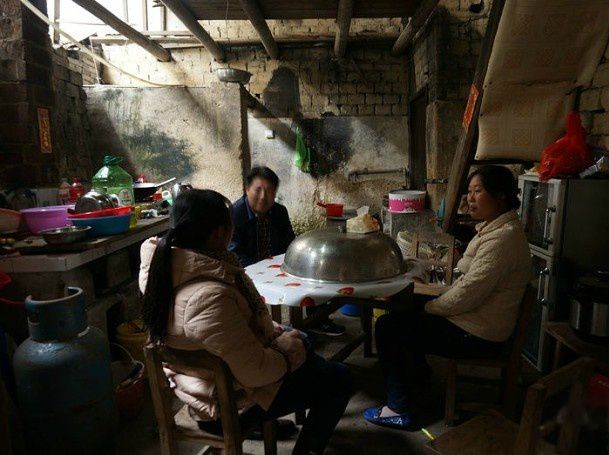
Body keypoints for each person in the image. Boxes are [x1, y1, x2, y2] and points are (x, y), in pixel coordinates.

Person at [140, 189, 354, 454]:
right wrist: (286, 351)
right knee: (339, 377)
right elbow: (256, 371)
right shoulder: (209, 296)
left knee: (302, 341)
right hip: (223, 408)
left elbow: (229, 333)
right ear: (218, 233)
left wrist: (282, 338)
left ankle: (292, 394)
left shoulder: (161, 269)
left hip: (204, 384)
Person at [363, 165, 532, 430]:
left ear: (500, 197)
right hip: (474, 319)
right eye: (469, 192)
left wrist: (429, 306)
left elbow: (467, 294)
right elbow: (466, 282)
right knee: (404, 303)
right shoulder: (495, 228)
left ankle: (398, 408)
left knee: (387, 327)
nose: (470, 198)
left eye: (478, 192)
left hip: (478, 335)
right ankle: (418, 373)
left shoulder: (503, 239)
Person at [230, 166, 346, 336]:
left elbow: (291, 243)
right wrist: (261, 269)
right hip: (248, 268)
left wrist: (299, 261)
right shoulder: (234, 214)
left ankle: (317, 320)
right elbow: (235, 254)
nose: (263, 196)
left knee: (310, 269)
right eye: (258, 190)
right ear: (247, 189)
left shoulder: (279, 211)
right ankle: (267, 331)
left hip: (278, 265)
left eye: (269, 191)